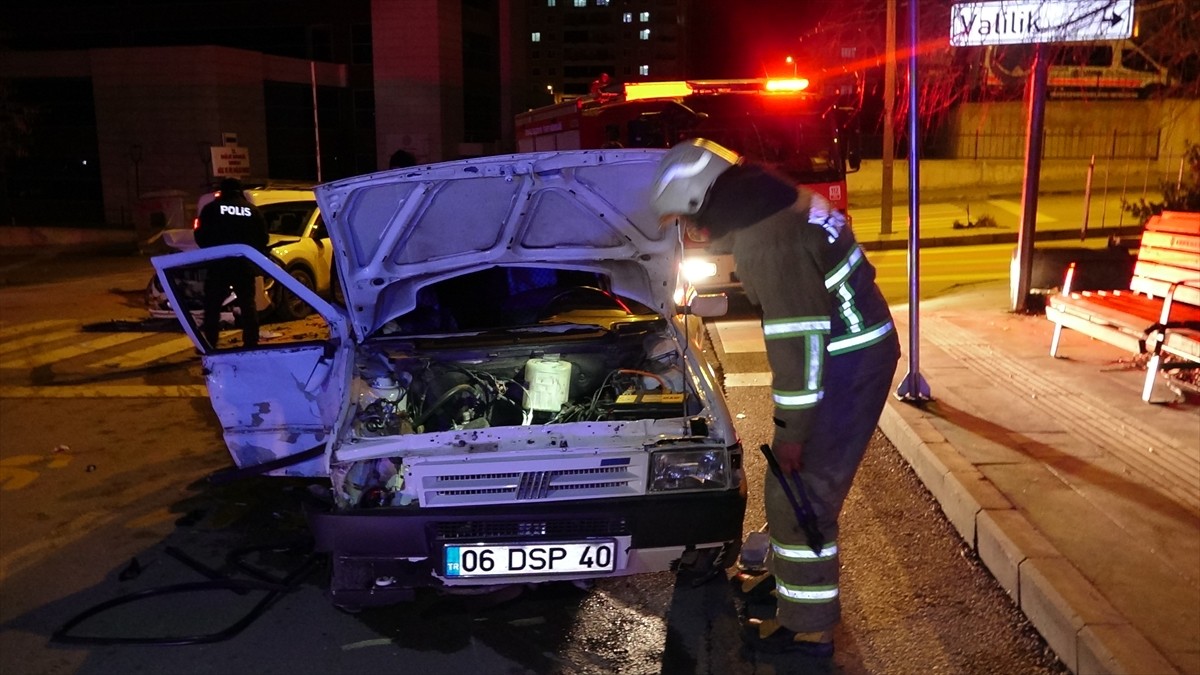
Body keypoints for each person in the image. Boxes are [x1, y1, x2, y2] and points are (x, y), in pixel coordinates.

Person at [650, 139, 900, 656]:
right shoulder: (781, 201)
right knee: (788, 488)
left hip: (846, 363)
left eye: (686, 219)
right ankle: (786, 583)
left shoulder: (767, 240)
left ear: (701, 200)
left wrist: (791, 432)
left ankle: (808, 626)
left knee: (802, 494)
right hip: (853, 349)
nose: (691, 231)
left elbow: (800, 346)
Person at [194, 177, 269, 348]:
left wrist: (211, 251)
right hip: (244, 265)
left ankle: (210, 343)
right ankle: (251, 342)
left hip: (218, 265)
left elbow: (200, 235)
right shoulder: (252, 210)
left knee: (212, 305)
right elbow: (263, 238)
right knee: (248, 304)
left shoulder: (211, 209)